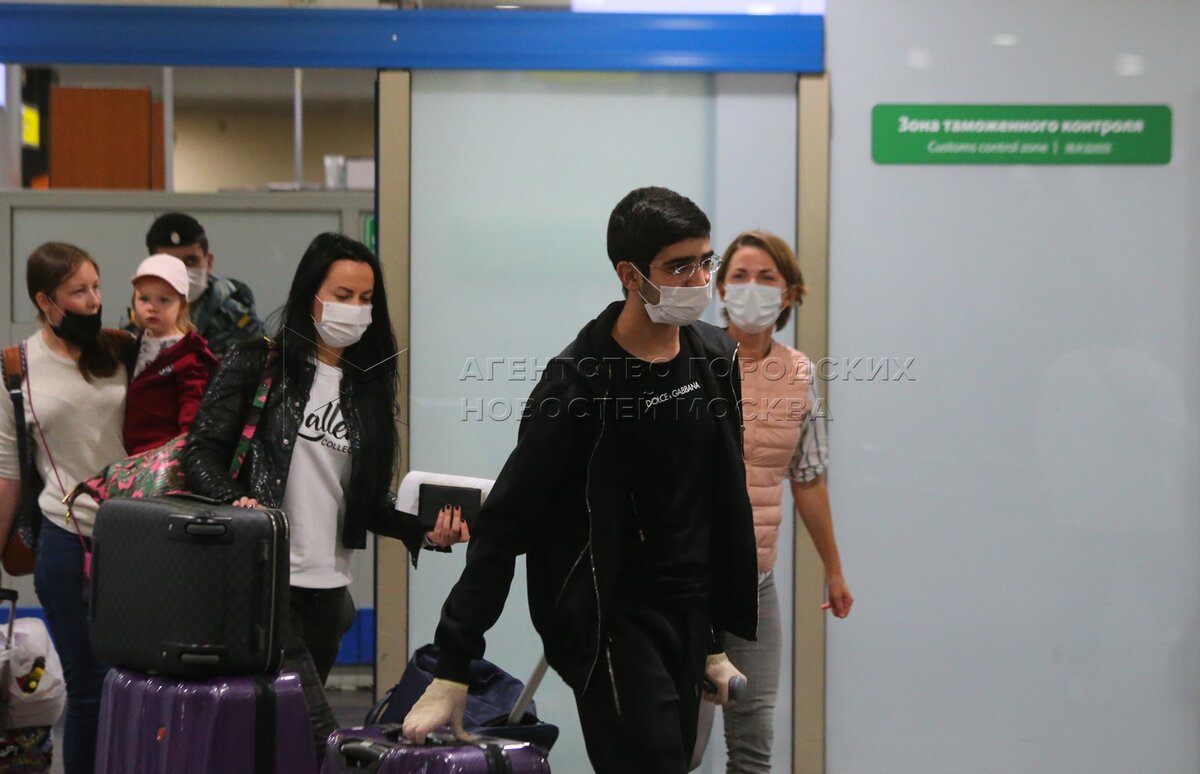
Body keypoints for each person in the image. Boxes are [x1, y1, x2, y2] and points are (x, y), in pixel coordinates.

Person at [403, 187, 760, 774]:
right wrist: (453, 668)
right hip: (612, 619)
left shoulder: (715, 357)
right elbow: (504, 526)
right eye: (679, 267)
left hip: (690, 613)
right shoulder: (576, 386)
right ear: (629, 275)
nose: (700, 280)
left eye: (705, 261)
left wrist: (714, 642)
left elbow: (712, 503)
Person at [182, 232, 469, 762]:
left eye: (366, 298)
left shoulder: (367, 387)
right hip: (265, 586)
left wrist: (425, 528)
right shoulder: (257, 363)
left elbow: (366, 500)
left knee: (279, 744)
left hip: (331, 597)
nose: (354, 309)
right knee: (322, 742)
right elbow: (200, 451)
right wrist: (235, 501)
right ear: (310, 294)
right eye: (342, 294)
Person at [714, 230, 853, 773]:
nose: (752, 287)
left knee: (753, 741)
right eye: (740, 276)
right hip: (686, 582)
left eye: (766, 277)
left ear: (789, 293)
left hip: (755, 580)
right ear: (721, 289)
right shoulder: (692, 359)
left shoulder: (799, 373)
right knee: (681, 743)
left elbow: (808, 478)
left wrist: (833, 571)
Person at [0, 242, 135, 774]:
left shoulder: (122, 350)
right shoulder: (16, 368)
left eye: (97, 287)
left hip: (137, 538)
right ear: (45, 301)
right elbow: (9, 476)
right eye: (78, 291)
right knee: (90, 687)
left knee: (137, 684)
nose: (94, 300)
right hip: (66, 539)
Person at [124, 253, 217, 454]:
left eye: (164, 300)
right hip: (132, 456)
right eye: (144, 298)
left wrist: (182, 452)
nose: (152, 307)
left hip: (164, 457)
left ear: (182, 305)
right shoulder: (132, 345)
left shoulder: (188, 355)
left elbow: (192, 409)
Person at [141, 212, 263, 358]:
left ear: (208, 262)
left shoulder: (236, 319)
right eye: (170, 263)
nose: (182, 271)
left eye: (191, 261)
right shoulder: (142, 319)